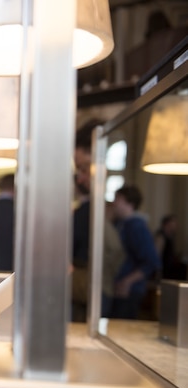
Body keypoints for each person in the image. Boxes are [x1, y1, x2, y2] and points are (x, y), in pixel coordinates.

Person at [71, 119, 123, 320]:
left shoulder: (104, 211)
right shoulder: (90, 209)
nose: (81, 178)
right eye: (79, 171)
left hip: (98, 291)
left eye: (84, 169)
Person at [111, 185, 161, 319]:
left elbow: (151, 261)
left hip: (130, 289)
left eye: (118, 199)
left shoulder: (137, 226)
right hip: (118, 286)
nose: (114, 203)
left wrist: (127, 282)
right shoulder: (121, 224)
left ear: (130, 204)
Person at [155, 214, 187, 281]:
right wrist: (158, 272)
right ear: (168, 224)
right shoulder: (161, 237)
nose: (176, 226)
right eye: (174, 223)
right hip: (164, 271)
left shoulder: (170, 237)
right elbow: (157, 255)